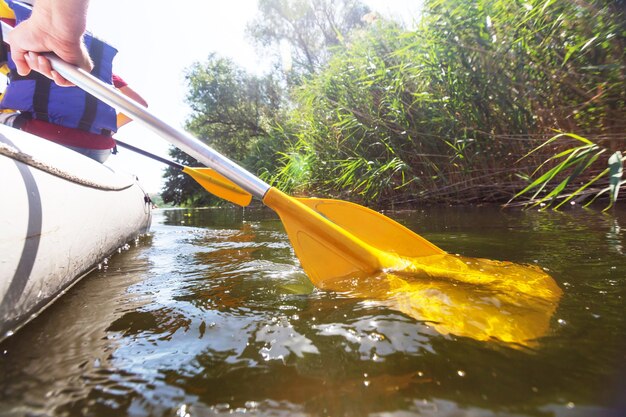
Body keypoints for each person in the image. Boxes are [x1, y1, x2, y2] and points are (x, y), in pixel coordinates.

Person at [0, 0, 147, 163]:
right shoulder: (95, 69)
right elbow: (139, 104)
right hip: (98, 147)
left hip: (38, 132)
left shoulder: (11, 24)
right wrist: (105, 130)